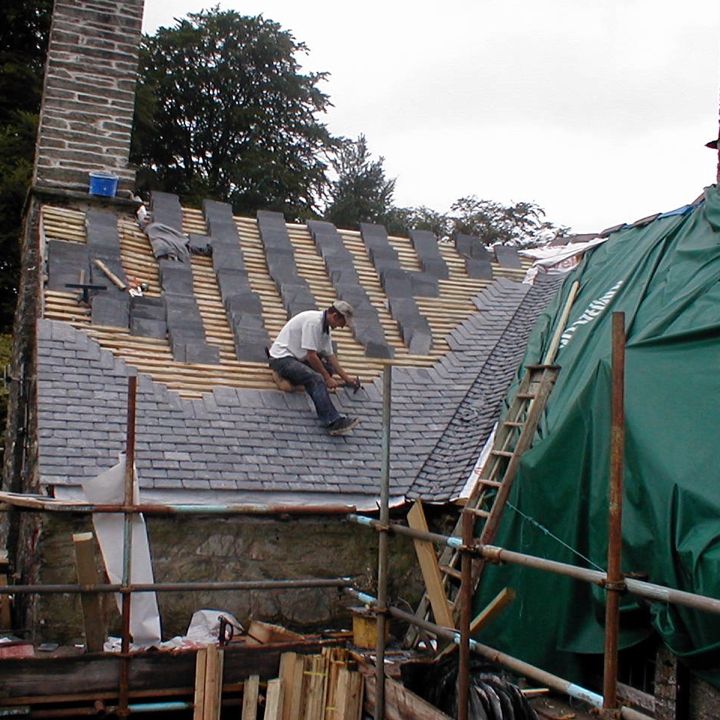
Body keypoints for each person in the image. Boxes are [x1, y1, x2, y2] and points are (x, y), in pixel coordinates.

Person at [268, 300, 360, 436]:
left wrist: (347, 379)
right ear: (335, 316)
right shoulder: (313, 323)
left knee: (328, 369)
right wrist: (327, 379)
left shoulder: (325, 329)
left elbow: (330, 356)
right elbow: (311, 356)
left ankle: (288, 379)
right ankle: (333, 422)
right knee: (317, 378)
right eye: (342, 323)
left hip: (297, 358)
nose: (341, 327)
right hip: (282, 359)